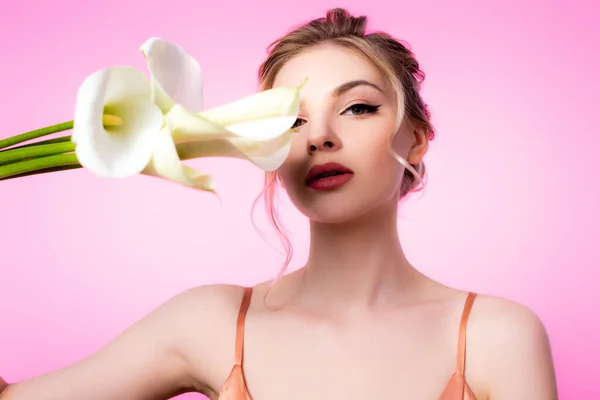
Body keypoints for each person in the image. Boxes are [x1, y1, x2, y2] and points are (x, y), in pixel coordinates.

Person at [0, 8, 558, 400]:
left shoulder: (496, 336)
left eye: (358, 108)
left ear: (416, 137)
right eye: (290, 120)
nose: (318, 136)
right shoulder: (210, 323)